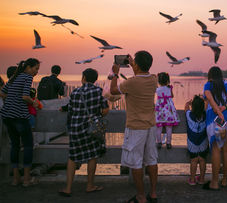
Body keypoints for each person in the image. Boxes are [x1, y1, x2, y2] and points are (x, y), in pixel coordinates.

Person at [110, 51, 158, 203]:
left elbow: (112, 90)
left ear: (137, 64)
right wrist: (134, 65)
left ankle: (141, 196)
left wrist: (115, 74)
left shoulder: (130, 82)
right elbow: (140, 76)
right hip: (151, 126)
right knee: (151, 160)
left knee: (136, 162)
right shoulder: (153, 79)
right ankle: (154, 194)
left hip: (136, 127)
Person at [59, 68, 109, 197]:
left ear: (83, 78)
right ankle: (90, 185)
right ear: (95, 79)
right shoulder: (98, 91)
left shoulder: (75, 92)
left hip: (76, 129)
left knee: (72, 157)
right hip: (91, 129)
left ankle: (68, 188)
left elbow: (70, 108)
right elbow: (105, 110)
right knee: (92, 156)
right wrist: (96, 114)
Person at [0, 58, 40, 187]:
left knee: (15, 146)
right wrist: (34, 103)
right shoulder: (27, 78)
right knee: (28, 145)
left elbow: (2, 93)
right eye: (35, 69)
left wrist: (12, 99)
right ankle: (26, 179)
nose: (36, 72)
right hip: (20, 116)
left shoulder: (14, 77)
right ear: (28, 67)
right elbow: (24, 96)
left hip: (7, 116)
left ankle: (15, 179)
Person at [202, 66, 227, 190]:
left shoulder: (209, 84)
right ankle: (224, 180)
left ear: (210, 75)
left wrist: (218, 111)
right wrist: (225, 108)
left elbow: (209, 98)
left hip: (216, 121)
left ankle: (214, 182)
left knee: (216, 149)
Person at [184, 95, 208, 186]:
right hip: (203, 141)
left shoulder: (189, 115)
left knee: (193, 160)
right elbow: (206, 106)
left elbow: (186, 108)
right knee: (202, 160)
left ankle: (193, 179)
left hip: (192, 142)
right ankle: (201, 179)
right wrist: (205, 101)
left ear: (193, 106)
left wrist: (188, 103)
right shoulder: (205, 115)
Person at [155, 72, 179, 149]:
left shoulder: (158, 89)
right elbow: (172, 96)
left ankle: (159, 142)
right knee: (169, 127)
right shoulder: (169, 88)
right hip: (168, 110)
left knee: (159, 127)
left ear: (159, 81)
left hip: (160, 110)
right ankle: (168, 143)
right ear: (167, 80)